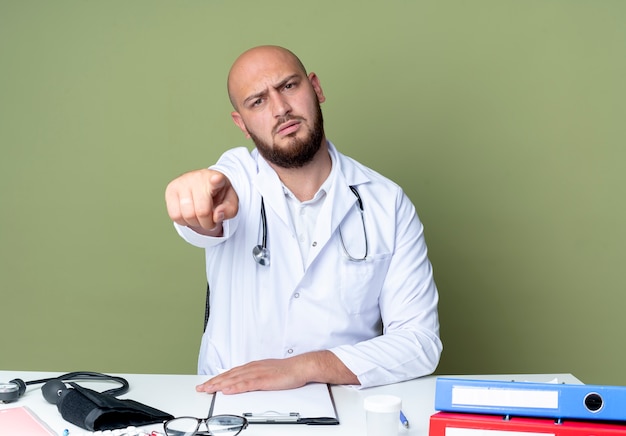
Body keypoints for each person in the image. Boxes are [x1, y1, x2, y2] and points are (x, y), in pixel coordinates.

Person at [165, 45, 442, 395]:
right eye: (258, 102)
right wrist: (196, 201)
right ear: (242, 124)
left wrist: (306, 366)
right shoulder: (235, 181)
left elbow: (419, 343)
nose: (281, 109)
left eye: (289, 86)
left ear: (316, 88)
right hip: (231, 406)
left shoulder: (387, 202)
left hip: (343, 405)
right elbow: (208, 208)